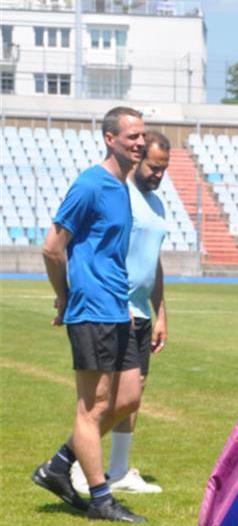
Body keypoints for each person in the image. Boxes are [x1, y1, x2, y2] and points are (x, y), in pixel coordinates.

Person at [32, 107, 148, 524]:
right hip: (91, 310)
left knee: (129, 397)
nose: (138, 143)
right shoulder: (91, 184)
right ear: (109, 138)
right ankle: (101, 498)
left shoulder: (122, 186)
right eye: (131, 136)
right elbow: (51, 246)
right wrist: (65, 296)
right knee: (93, 407)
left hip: (118, 309)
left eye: (141, 136)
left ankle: (59, 465)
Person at [71, 132, 170, 496]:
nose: (158, 175)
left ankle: (119, 468)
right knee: (108, 397)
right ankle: (78, 463)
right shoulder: (118, 196)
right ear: (138, 160)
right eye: (153, 167)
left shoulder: (157, 205)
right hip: (114, 308)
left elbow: (154, 263)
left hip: (142, 310)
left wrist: (160, 313)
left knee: (134, 393)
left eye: (164, 169)